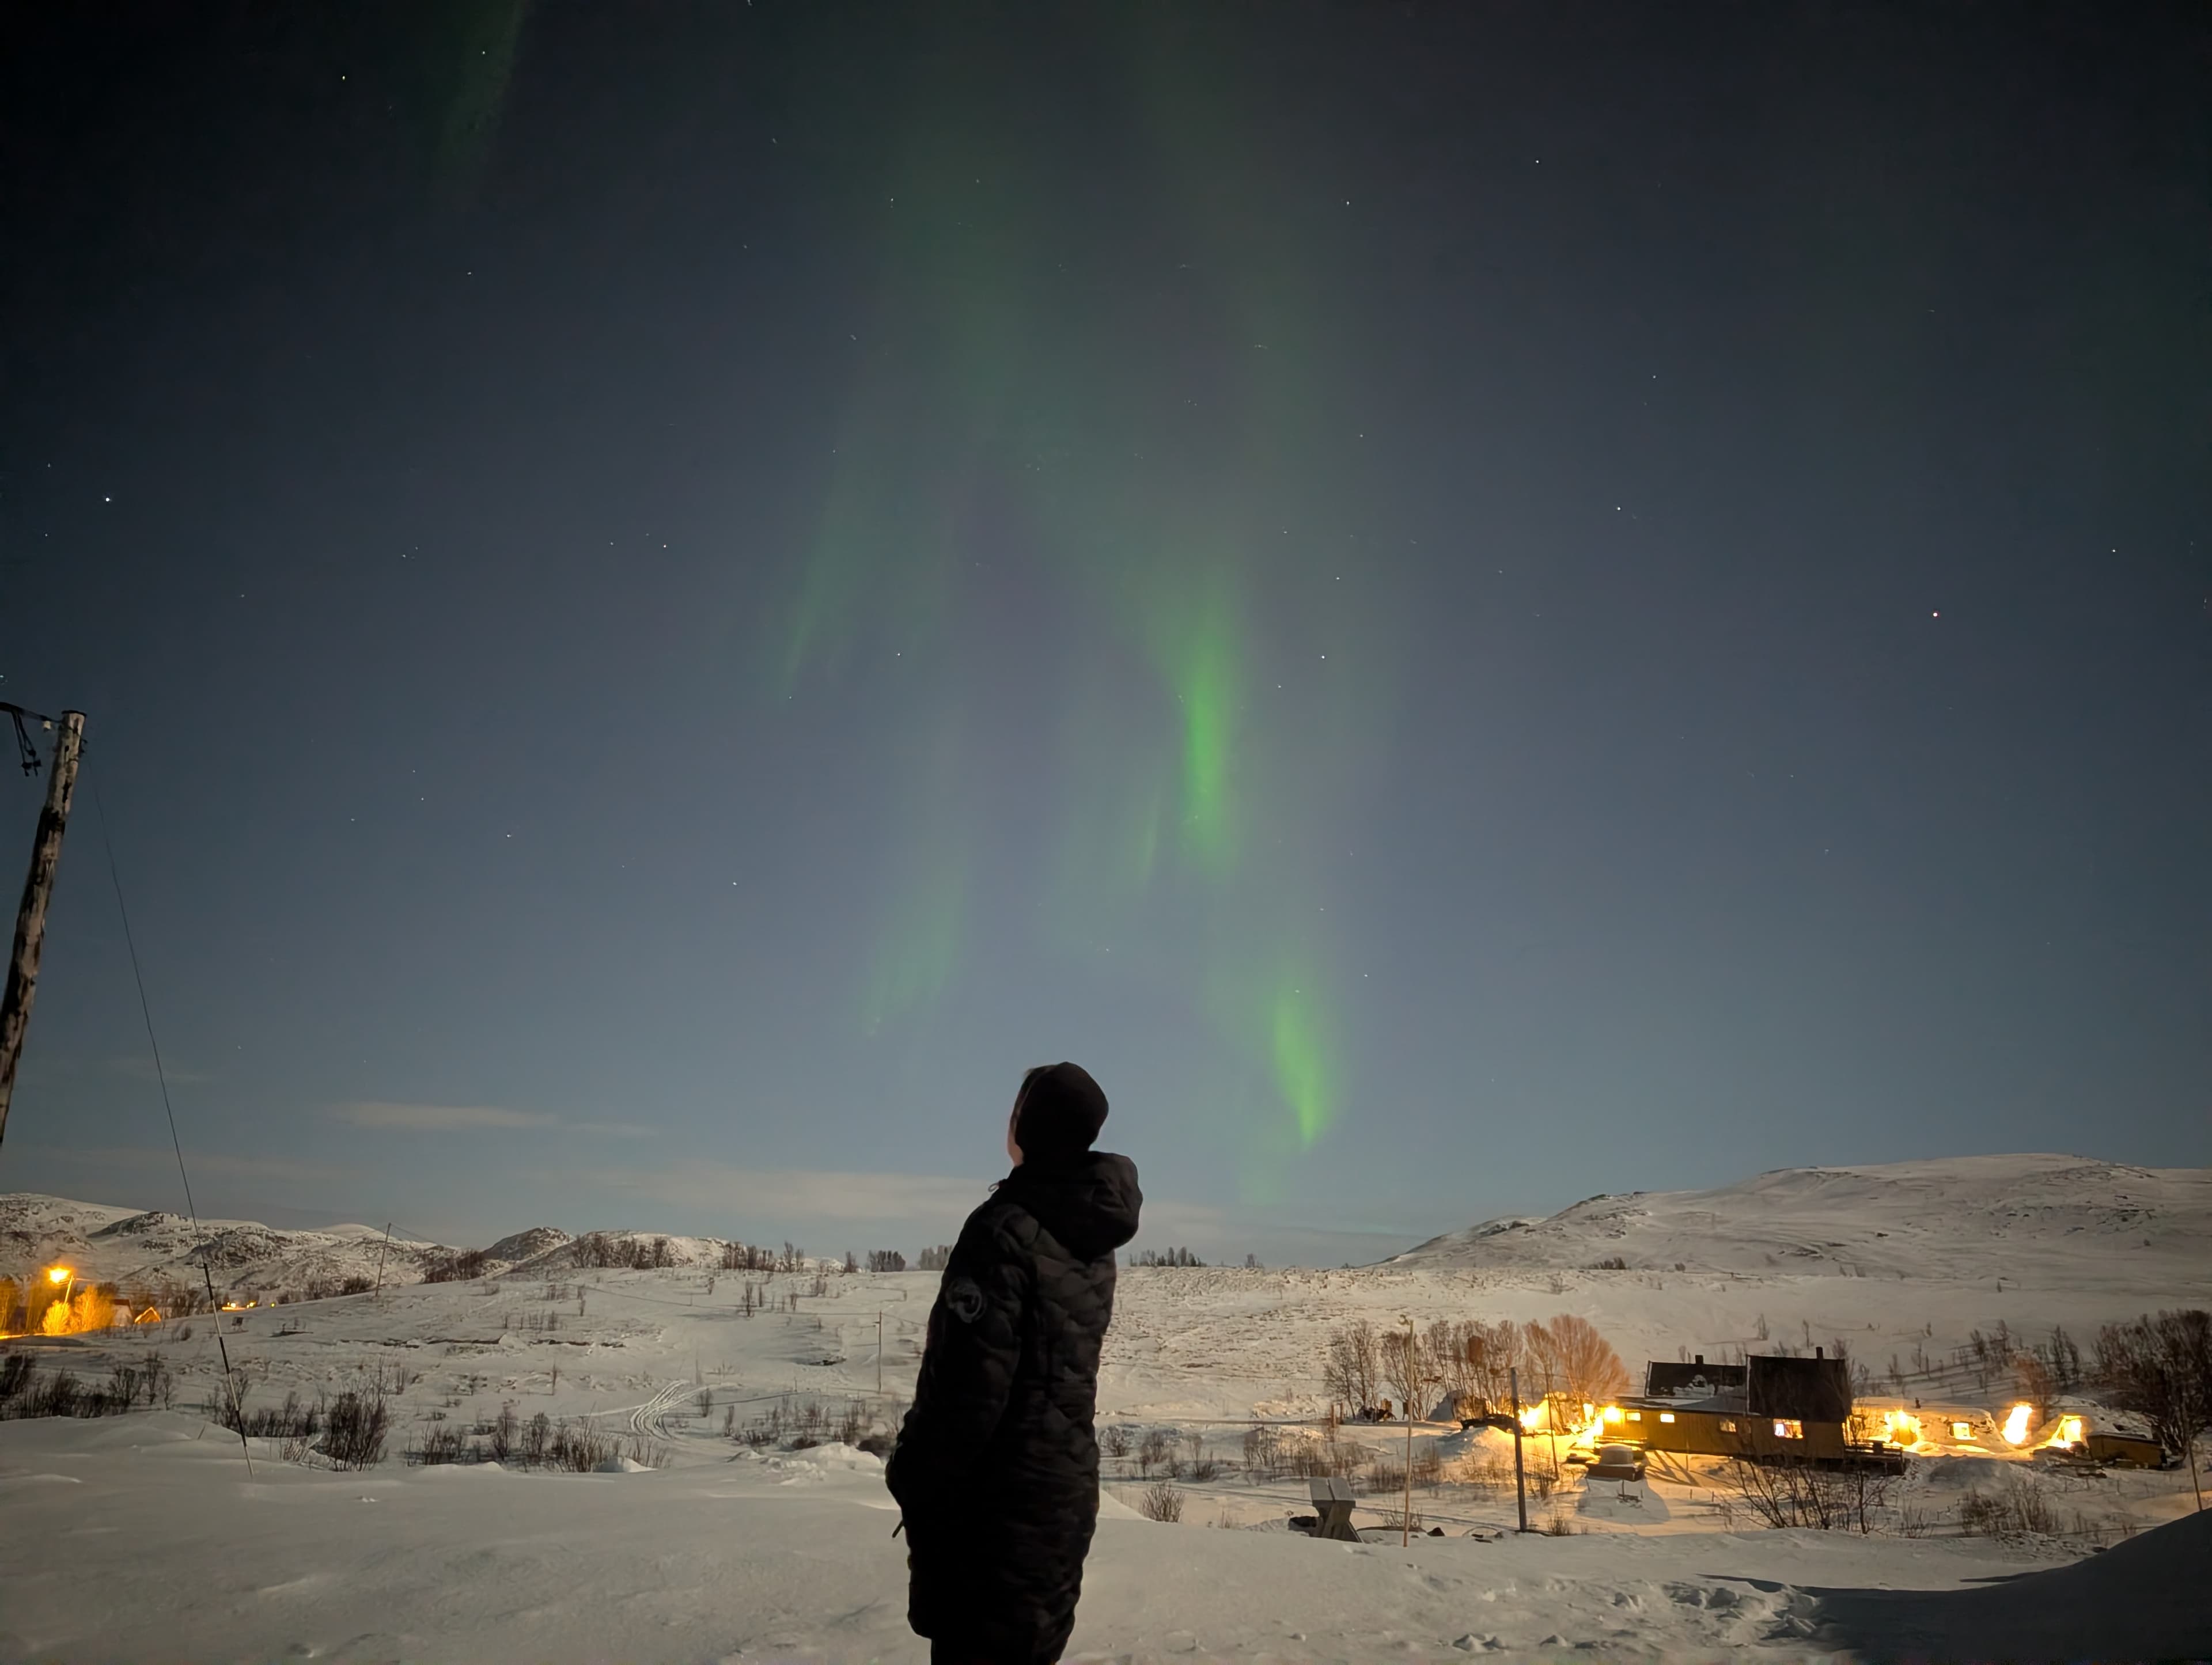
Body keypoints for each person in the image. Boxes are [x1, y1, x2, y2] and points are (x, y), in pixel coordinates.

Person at [885, 1061, 1142, 1665]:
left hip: (996, 1517)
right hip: (1062, 1495)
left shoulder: (1005, 1230)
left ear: (1031, 1122)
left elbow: (968, 1391)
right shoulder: (1089, 1233)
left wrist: (911, 1472)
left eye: (1017, 1106)